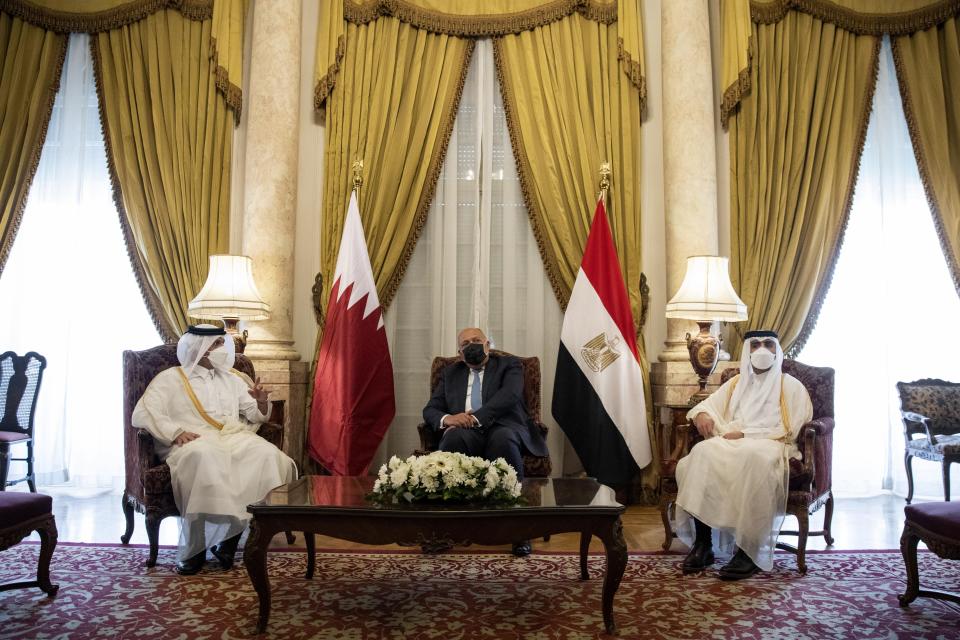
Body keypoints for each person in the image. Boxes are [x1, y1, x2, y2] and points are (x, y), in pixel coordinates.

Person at [133, 324, 297, 575]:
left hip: (231, 437)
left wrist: (261, 402)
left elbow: (255, 415)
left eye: (222, 343)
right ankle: (196, 547)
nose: (223, 349)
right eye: (217, 344)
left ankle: (228, 541)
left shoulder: (232, 379)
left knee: (269, 456)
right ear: (200, 348)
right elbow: (146, 411)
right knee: (203, 457)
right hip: (192, 441)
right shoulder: (171, 378)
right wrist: (175, 432)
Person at [674, 330, 813, 579]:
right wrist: (702, 415)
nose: (761, 350)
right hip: (732, 441)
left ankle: (749, 552)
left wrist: (746, 435)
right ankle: (704, 545)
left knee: (754, 459)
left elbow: (792, 427)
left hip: (772, 444)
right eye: (755, 344)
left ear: (777, 350)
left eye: (768, 344)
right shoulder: (736, 382)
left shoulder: (790, 386)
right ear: (747, 350)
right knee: (702, 452)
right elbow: (707, 405)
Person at [422, 327, 548, 556]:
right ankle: (445, 529)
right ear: (460, 353)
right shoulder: (450, 373)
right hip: (466, 431)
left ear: (488, 344)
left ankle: (518, 531)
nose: (473, 345)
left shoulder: (509, 366)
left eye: (477, 340)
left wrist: (475, 418)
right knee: (453, 441)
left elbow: (509, 397)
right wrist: (448, 418)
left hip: (503, 425)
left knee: (503, 440)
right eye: (466, 343)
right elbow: (431, 409)